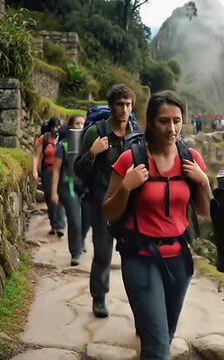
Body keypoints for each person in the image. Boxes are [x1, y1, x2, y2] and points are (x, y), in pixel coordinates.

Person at [103, 90, 212, 360]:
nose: (172, 128)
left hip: (179, 260)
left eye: (177, 121)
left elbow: (205, 211)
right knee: (156, 346)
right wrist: (126, 188)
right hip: (140, 257)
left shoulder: (191, 158)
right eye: (164, 121)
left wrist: (204, 181)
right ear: (150, 121)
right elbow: (108, 210)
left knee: (165, 335)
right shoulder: (131, 159)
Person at [74, 84, 141, 318]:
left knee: (135, 256)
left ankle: (140, 304)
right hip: (100, 202)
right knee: (103, 252)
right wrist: (92, 153)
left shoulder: (137, 133)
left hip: (129, 202)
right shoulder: (96, 132)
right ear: (112, 106)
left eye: (128, 104)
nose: (124, 109)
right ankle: (99, 297)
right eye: (120, 104)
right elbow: (79, 169)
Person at [51, 115, 87, 266]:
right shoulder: (63, 146)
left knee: (85, 220)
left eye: (82, 124)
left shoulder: (87, 144)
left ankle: (80, 242)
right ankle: (75, 253)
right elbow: (56, 170)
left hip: (84, 187)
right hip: (68, 187)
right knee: (74, 220)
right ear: (70, 125)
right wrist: (54, 192)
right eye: (77, 123)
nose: (80, 126)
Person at [32, 117, 66, 237]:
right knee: (50, 198)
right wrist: (35, 171)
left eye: (57, 127)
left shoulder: (63, 138)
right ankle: (53, 224)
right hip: (47, 171)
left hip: (61, 172)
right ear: (50, 127)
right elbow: (37, 155)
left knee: (60, 197)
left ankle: (60, 226)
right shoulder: (44, 139)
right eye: (53, 127)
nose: (55, 129)